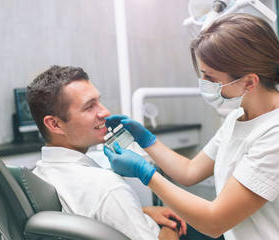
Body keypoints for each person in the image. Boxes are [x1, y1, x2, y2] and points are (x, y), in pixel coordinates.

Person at [103, 13, 279, 240]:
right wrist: (146, 140)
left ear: (249, 82)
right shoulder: (239, 117)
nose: (205, 86)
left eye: (210, 78)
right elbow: (190, 171)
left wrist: (146, 174)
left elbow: (214, 222)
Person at [26, 65, 187, 240]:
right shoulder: (107, 187)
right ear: (55, 124)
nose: (105, 112)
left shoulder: (37, 176)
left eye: (98, 101)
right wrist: (171, 228)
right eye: (89, 107)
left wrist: (142, 212)